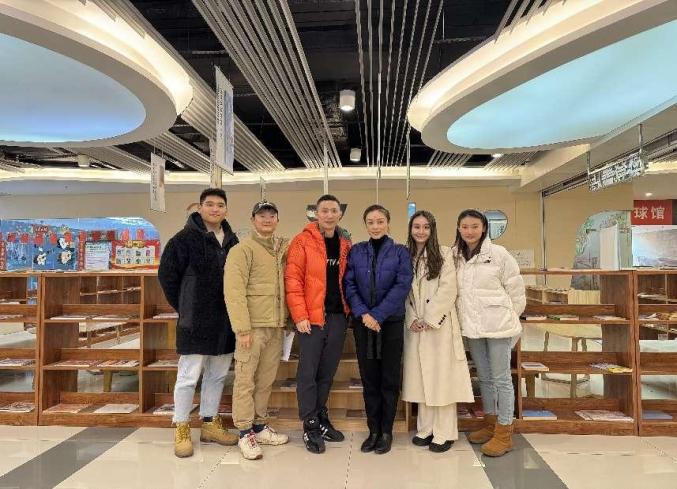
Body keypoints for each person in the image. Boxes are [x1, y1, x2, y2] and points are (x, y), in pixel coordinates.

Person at [158, 188, 239, 458]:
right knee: (188, 376)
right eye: (210, 204)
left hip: (226, 320)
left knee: (217, 375)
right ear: (200, 207)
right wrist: (185, 306)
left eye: (220, 205)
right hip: (194, 320)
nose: (215, 209)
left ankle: (209, 423)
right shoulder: (182, 240)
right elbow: (167, 277)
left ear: (226, 210)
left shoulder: (232, 240)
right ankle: (181, 426)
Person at [453, 209, 525, 457]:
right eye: (465, 227)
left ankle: (505, 433)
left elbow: (516, 291)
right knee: (484, 377)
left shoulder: (499, 254)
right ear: (459, 229)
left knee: (501, 378)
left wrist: (509, 317)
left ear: (483, 228)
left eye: (474, 226)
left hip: (498, 327)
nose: (469, 231)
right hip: (473, 328)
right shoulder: (455, 256)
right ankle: (490, 423)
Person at [402, 210, 474, 453]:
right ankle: (425, 429)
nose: (421, 231)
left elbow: (448, 289)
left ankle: (445, 432)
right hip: (415, 326)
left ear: (432, 230)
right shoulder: (406, 255)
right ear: (411, 229)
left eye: (426, 227)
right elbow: (404, 292)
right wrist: (412, 318)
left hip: (439, 326)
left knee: (441, 379)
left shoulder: (444, 254)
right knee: (423, 378)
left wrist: (429, 318)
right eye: (417, 226)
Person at [285, 194, 352, 454]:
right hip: (311, 319)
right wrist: (300, 316)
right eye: (324, 210)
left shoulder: (345, 243)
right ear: (316, 213)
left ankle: (321, 416)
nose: (329, 215)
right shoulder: (302, 241)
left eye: (333, 210)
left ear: (340, 214)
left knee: (327, 372)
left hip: (337, 317)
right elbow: (293, 280)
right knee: (308, 373)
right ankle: (310, 424)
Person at [344, 204, 413, 455]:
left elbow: (402, 285)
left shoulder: (400, 252)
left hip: (390, 322)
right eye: (371, 222)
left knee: (389, 379)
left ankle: (386, 431)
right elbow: (349, 284)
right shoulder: (356, 251)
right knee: (369, 378)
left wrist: (378, 315)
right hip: (363, 324)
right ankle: (373, 430)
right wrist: (364, 313)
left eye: (380, 221)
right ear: (365, 225)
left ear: (388, 223)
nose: (375, 226)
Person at [225, 201, 290, 460]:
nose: (267, 219)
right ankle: (244, 432)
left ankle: (260, 426)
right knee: (245, 380)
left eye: (272, 215)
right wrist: (242, 329)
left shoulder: (279, 250)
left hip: (275, 326)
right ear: (253, 220)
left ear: (277, 220)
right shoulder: (242, 250)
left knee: (265, 380)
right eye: (261, 215)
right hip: (251, 328)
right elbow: (234, 291)